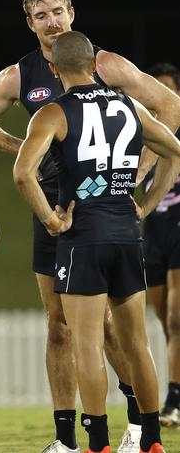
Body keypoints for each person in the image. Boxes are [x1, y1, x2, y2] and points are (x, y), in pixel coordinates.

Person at [0, 0, 180, 453]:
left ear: (72, 13)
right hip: (64, 209)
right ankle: (67, 438)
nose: (52, 21)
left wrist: (131, 177)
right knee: (59, 325)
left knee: (101, 331)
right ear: (30, 23)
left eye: (58, 11)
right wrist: (27, 147)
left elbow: (169, 106)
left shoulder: (105, 63)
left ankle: (124, 429)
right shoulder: (19, 75)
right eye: (42, 15)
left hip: (80, 218)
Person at [14, 30, 180, 453]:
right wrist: (145, 204)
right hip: (127, 234)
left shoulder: (51, 113)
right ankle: (153, 441)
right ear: (94, 65)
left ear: (53, 69)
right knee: (137, 343)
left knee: (87, 344)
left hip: (82, 238)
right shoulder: (129, 105)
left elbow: (22, 173)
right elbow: (175, 150)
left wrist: (51, 220)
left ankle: (99, 443)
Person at [140, 63, 180, 427]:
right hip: (153, 231)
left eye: (168, 92)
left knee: (176, 317)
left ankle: (174, 401)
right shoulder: (139, 130)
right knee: (166, 324)